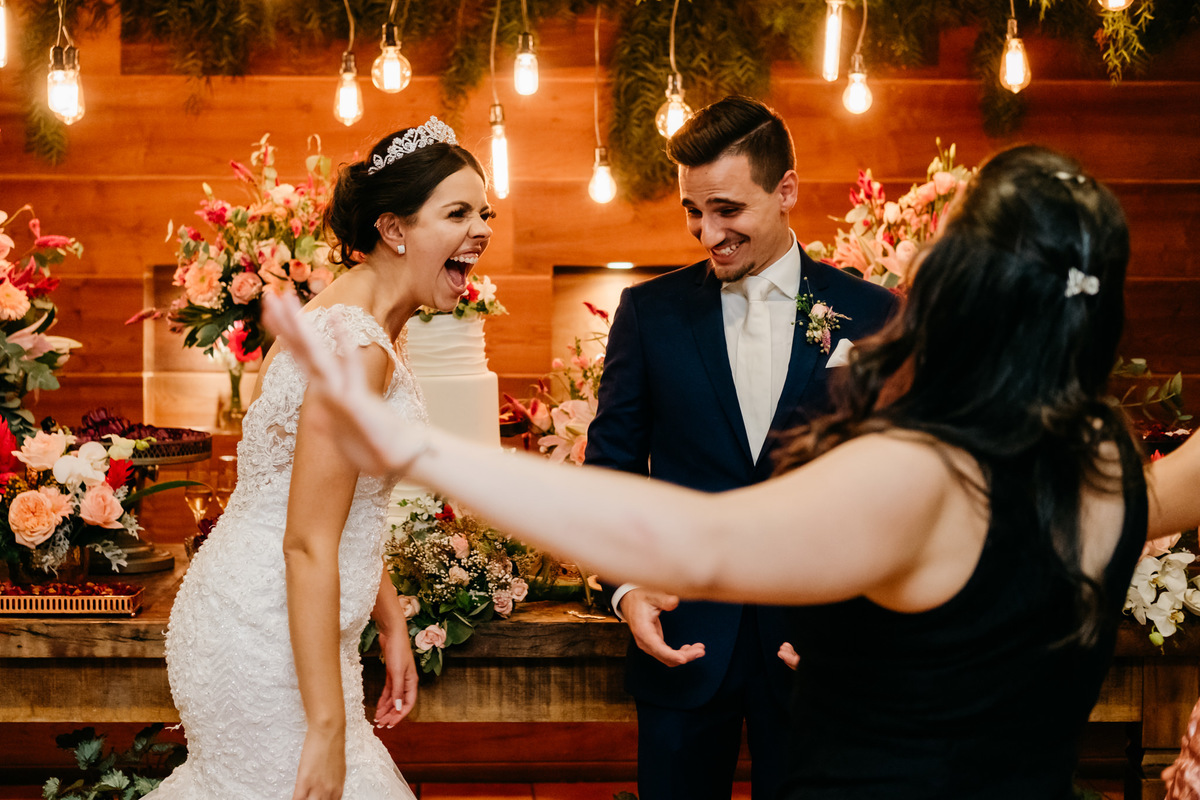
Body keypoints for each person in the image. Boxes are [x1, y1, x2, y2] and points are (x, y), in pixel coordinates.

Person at [267, 141, 1200, 799]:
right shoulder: (1109, 465)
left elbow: (694, 542)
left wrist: (420, 452)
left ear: (957, 287)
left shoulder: (929, 476)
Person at [145, 117, 494, 800]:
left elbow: (340, 501)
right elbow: (306, 539)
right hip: (262, 628)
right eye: (458, 212)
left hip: (284, 614)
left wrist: (390, 619)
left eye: (485, 212)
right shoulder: (356, 343)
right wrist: (328, 726)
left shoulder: (357, 320)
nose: (481, 229)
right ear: (395, 229)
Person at [584, 96, 897, 799]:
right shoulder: (649, 315)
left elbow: (901, 490)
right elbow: (609, 474)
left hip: (822, 654)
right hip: (683, 642)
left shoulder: (876, 315)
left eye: (727, 209)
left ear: (786, 190)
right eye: (693, 212)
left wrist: (858, 622)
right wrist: (627, 590)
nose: (707, 233)